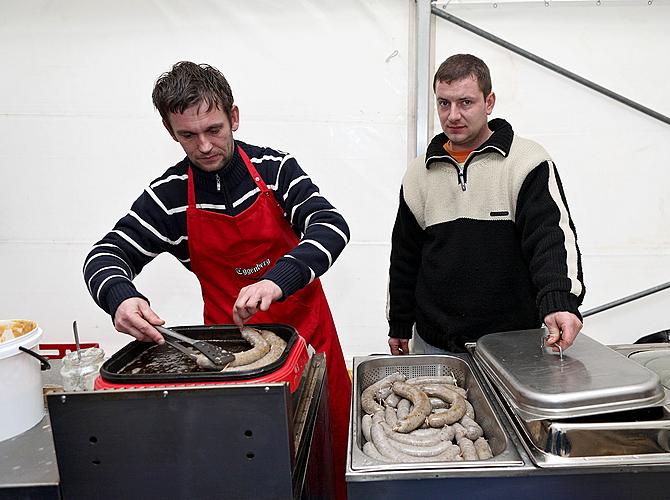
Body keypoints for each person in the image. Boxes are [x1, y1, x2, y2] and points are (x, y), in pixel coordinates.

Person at [83, 61, 350, 498]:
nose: (205, 146)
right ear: (172, 132)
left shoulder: (276, 169)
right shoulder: (168, 196)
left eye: (214, 128)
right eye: (188, 135)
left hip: (311, 343)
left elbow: (330, 225)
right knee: (254, 467)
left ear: (235, 117)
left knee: (329, 450)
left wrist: (277, 280)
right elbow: (105, 254)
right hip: (232, 361)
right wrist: (120, 298)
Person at [387, 54, 585, 356]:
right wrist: (399, 322)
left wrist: (559, 300)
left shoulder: (527, 162)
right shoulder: (418, 173)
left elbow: (550, 238)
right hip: (434, 343)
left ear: (489, 102)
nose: (453, 115)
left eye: (466, 102)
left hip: (513, 343)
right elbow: (405, 256)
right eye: (444, 103)